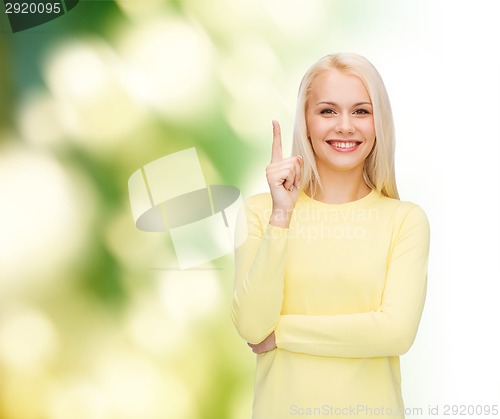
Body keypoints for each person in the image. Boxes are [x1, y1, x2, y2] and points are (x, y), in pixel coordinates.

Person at [231, 53, 430, 419]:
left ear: (379, 123)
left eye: (361, 111)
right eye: (327, 111)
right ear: (305, 122)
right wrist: (282, 215)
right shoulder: (262, 213)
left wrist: (283, 334)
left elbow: (395, 332)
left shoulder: (405, 221)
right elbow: (252, 326)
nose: (345, 126)